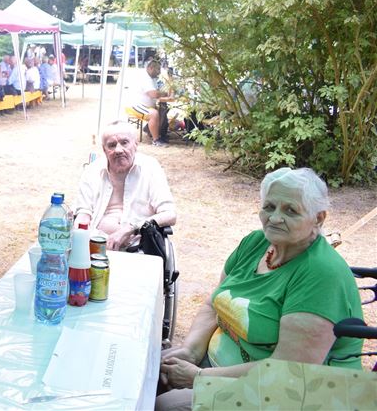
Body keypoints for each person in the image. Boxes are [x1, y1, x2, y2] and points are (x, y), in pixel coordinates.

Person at [155, 168, 363, 411]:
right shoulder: (255, 243)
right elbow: (214, 304)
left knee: (166, 406)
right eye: (269, 207)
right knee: (148, 370)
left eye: (290, 210)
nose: (275, 218)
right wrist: (190, 351)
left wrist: (199, 377)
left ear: (318, 218)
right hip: (215, 367)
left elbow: (288, 370)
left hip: (289, 393)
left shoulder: (322, 274)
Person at [74, 120, 176, 251]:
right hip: (95, 244)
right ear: (104, 150)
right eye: (111, 145)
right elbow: (83, 212)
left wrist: (130, 229)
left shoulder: (150, 168)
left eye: (124, 142)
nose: (118, 150)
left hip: (139, 248)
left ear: (135, 144)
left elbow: (169, 214)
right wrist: (80, 237)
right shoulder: (93, 171)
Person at [128, 58, 171, 146]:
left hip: (145, 106)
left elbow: (158, 91)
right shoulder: (145, 78)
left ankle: (150, 130)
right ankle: (156, 140)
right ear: (151, 68)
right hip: (136, 105)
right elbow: (154, 94)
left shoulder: (152, 78)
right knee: (154, 114)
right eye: (158, 69)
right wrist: (165, 93)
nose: (159, 72)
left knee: (163, 110)